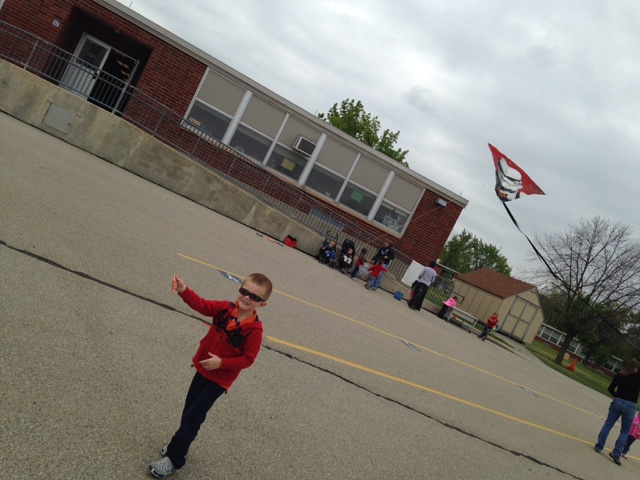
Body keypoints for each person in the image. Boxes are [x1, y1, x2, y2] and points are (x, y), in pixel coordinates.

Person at [148, 273, 272, 478]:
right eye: (244, 291)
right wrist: (184, 291)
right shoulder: (225, 309)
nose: (247, 297)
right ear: (239, 290)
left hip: (219, 381)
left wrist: (222, 363)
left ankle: (175, 458)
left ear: (262, 304)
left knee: (193, 418)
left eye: (254, 297)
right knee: (189, 411)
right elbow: (202, 305)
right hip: (203, 369)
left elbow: (247, 359)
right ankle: (177, 445)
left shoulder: (254, 331)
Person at [594, 358, 640, 465]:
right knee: (625, 430)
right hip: (630, 405)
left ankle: (599, 445)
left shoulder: (620, 375)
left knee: (609, 423)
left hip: (618, 401)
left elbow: (610, 388)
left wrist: (617, 397)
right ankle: (616, 452)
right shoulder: (637, 377)